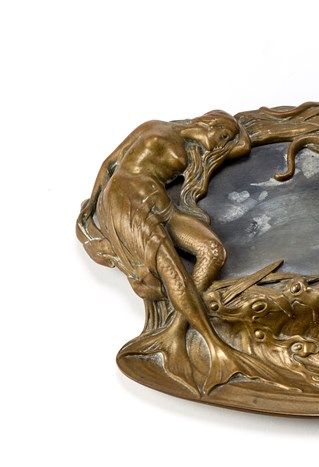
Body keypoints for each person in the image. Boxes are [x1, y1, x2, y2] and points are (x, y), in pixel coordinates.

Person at [77, 110, 276, 394]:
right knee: (175, 276)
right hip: (128, 200)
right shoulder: (155, 126)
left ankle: (176, 329)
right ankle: (215, 347)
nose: (220, 145)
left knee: (212, 250)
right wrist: (91, 207)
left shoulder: (192, 148)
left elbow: (242, 145)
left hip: (160, 203)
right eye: (221, 136)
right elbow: (110, 163)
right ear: (208, 123)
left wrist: (237, 131)